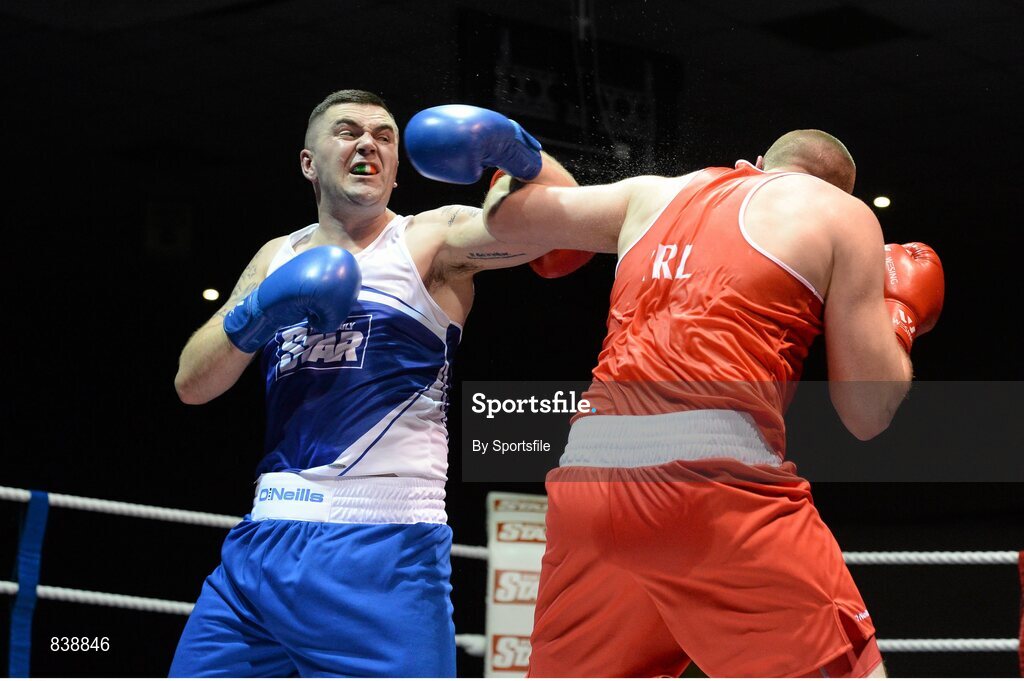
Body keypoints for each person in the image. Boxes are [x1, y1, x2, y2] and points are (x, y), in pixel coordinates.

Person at [469, 129, 941, 677]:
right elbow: (867, 414)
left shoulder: (655, 191)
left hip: (587, 479)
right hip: (712, 485)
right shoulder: (841, 213)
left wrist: (515, 150)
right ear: (843, 192)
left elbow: (506, 220)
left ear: (756, 163)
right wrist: (898, 319)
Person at [169, 90, 574, 677]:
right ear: (308, 163)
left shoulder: (432, 239)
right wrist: (255, 313)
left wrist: (517, 152)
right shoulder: (275, 257)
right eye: (348, 131)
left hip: (383, 551)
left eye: (384, 136)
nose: (369, 144)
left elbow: (566, 224)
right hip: (260, 551)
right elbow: (190, 383)